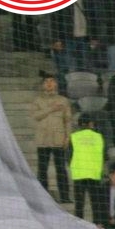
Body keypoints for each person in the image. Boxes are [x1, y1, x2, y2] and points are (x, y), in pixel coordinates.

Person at [31, 73, 72, 203]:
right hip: (43, 139)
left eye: (52, 81)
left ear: (56, 84)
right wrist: (51, 109)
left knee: (61, 168)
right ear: (43, 85)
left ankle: (65, 196)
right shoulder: (37, 100)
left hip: (58, 138)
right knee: (42, 168)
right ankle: (43, 196)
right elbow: (35, 116)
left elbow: (68, 120)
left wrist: (68, 136)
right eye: (46, 81)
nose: (49, 84)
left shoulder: (63, 100)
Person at [69, 113, 105, 220]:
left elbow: (69, 155)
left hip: (79, 174)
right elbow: (104, 154)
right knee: (96, 203)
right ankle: (97, 225)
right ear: (90, 123)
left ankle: (79, 224)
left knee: (79, 204)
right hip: (94, 174)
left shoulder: (74, 137)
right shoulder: (98, 137)